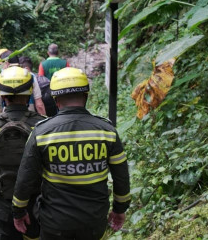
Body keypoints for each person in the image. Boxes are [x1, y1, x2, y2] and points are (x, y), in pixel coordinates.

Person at [12, 67, 131, 240]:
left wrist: (18, 211)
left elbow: (25, 179)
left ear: (56, 100)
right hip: (93, 221)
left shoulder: (41, 133)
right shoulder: (107, 131)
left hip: (55, 223)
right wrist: (120, 209)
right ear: (85, 97)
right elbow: (121, 177)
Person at [0, 66, 45, 240]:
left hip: (3, 209)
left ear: (2, 97)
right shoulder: (42, 126)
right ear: (29, 95)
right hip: (38, 206)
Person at [0, 50, 46, 116]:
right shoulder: (30, 75)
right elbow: (39, 105)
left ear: (6, 63)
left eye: (1, 64)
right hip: (28, 115)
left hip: (7, 117)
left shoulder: (1, 77)